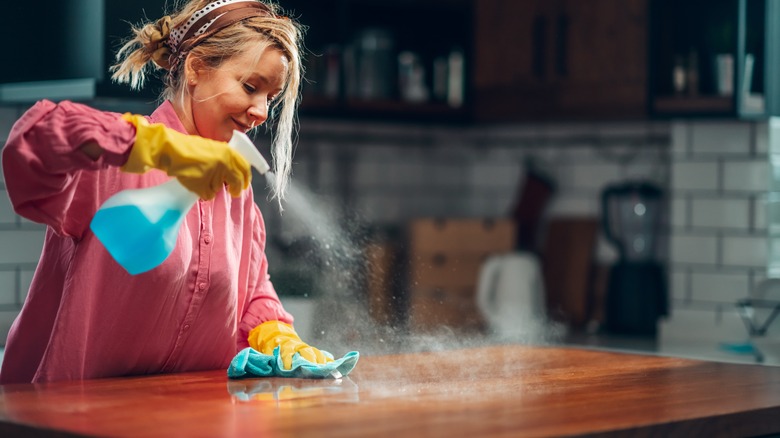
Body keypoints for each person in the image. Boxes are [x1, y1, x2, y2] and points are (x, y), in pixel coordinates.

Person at [0, 0, 335, 384]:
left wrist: (274, 332)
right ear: (195, 69)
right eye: (250, 86)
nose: (261, 111)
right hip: (77, 417)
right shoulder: (114, 159)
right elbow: (33, 142)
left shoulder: (236, 192)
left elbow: (252, 293)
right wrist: (153, 146)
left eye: (270, 98)